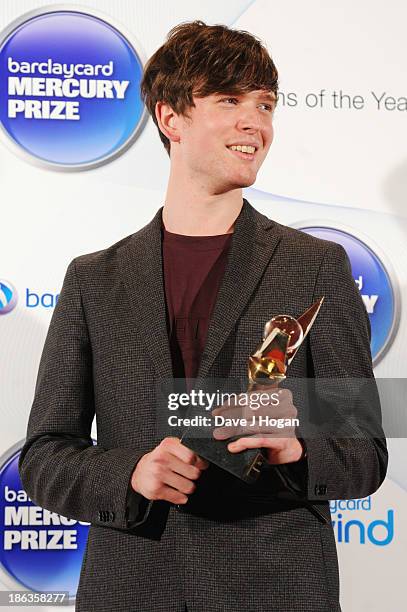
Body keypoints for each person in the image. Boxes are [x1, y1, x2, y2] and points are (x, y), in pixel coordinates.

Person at [19, 21, 388, 612]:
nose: (256, 123)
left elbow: (364, 451)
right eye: (229, 101)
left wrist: (297, 451)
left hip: (278, 584)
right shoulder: (94, 279)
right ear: (171, 118)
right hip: (133, 584)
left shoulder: (316, 267)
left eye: (265, 104)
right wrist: (132, 475)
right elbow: (44, 455)